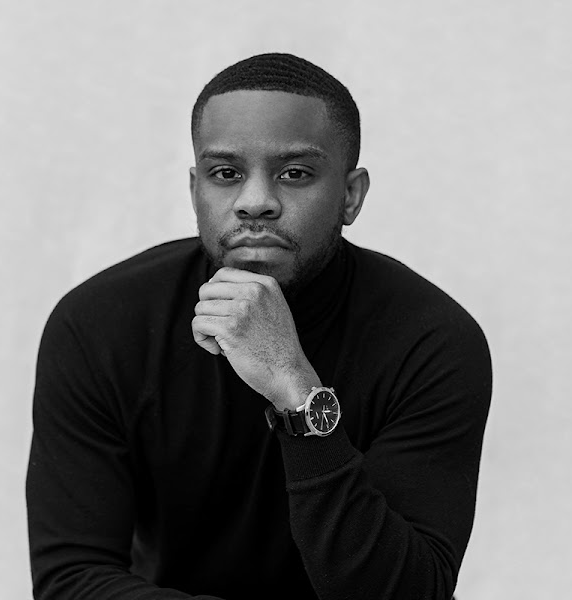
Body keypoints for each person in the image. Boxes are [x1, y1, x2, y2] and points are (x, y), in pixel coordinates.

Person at [26, 53, 491, 600]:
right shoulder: (100, 324)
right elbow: (71, 579)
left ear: (351, 194)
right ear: (195, 190)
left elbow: (408, 593)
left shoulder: (432, 341)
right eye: (226, 174)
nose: (256, 203)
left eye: (295, 174)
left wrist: (295, 388)